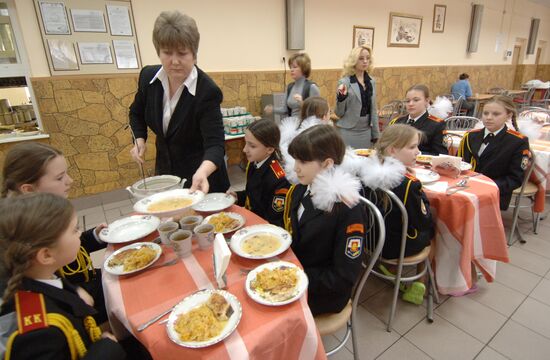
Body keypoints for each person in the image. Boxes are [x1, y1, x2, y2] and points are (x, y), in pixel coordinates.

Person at [0, 193, 125, 359]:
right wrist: (105, 350)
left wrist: (73, 290)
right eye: (74, 230)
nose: (80, 233)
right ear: (46, 255)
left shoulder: (36, 273)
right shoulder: (40, 334)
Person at [1, 142, 107, 323]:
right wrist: (72, 291)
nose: (70, 181)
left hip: (75, 283)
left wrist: (95, 236)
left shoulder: (39, 212)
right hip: (60, 302)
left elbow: (64, 245)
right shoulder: (18, 231)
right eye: (59, 178)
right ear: (28, 189)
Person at [129, 11, 229, 194]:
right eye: (167, 53)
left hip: (202, 179)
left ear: (194, 54)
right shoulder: (148, 78)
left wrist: (202, 171)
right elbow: (136, 113)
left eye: (182, 53)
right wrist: (139, 139)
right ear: (158, 52)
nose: (174, 61)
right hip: (167, 174)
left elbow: (215, 145)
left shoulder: (206, 91)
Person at [283, 125, 367, 315]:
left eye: (303, 161)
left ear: (327, 163)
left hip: (324, 291)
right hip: (298, 269)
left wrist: (293, 277)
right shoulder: (301, 188)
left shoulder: (346, 209)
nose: (295, 167)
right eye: (295, 159)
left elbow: (344, 276)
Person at [458, 95, 530, 210]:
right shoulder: (471, 136)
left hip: (494, 193)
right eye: (485, 113)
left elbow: (515, 179)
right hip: (463, 188)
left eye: (496, 114)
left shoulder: (517, 142)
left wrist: (484, 186)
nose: (489, 117)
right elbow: (460, 163)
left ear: (508, 115)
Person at [372, 125, 434, 260]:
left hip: (369, 239)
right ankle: (429, 278)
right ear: (392, 150)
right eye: (412, 147)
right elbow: (423, 222)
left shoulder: (368, 171)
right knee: (437, 229)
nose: (418, 152)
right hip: (394, 247)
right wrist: (417, 182)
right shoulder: (409, 184)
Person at [228, 120, 290, 227]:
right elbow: (253, 194)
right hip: (253, 218)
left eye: (252, 146)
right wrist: (238, 196)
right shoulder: (255, 162)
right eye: (245, 142)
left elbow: (274, 219)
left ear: (269, 149)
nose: (244, 149)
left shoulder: (278, 178)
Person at [335, 45, 379, 149]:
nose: (365, 61)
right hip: (348, 131)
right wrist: (341, 99)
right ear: (354, 60)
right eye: (361, 58)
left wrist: (376, 134)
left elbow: (373, 109)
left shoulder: (371, 82)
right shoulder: (344, 82)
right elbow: (339, 113)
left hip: (366, 131)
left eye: (367, 58)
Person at [389, 84, 448, 156]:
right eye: (407, 101)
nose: (410, 104)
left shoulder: (437, 125)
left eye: (416, 100)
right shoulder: (398, 122)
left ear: (427, 101)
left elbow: (441, 154)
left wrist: (416, 153)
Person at [264, 52, 320, 118]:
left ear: (304, 68)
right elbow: (285, 110)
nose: (291, 70)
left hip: (306, 125)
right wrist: (272, 109)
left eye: (295, 67)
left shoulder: (312, 87)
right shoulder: (290, 87)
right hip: (292, 124)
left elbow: (316, 112)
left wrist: (302, 103)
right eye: (290, 67)